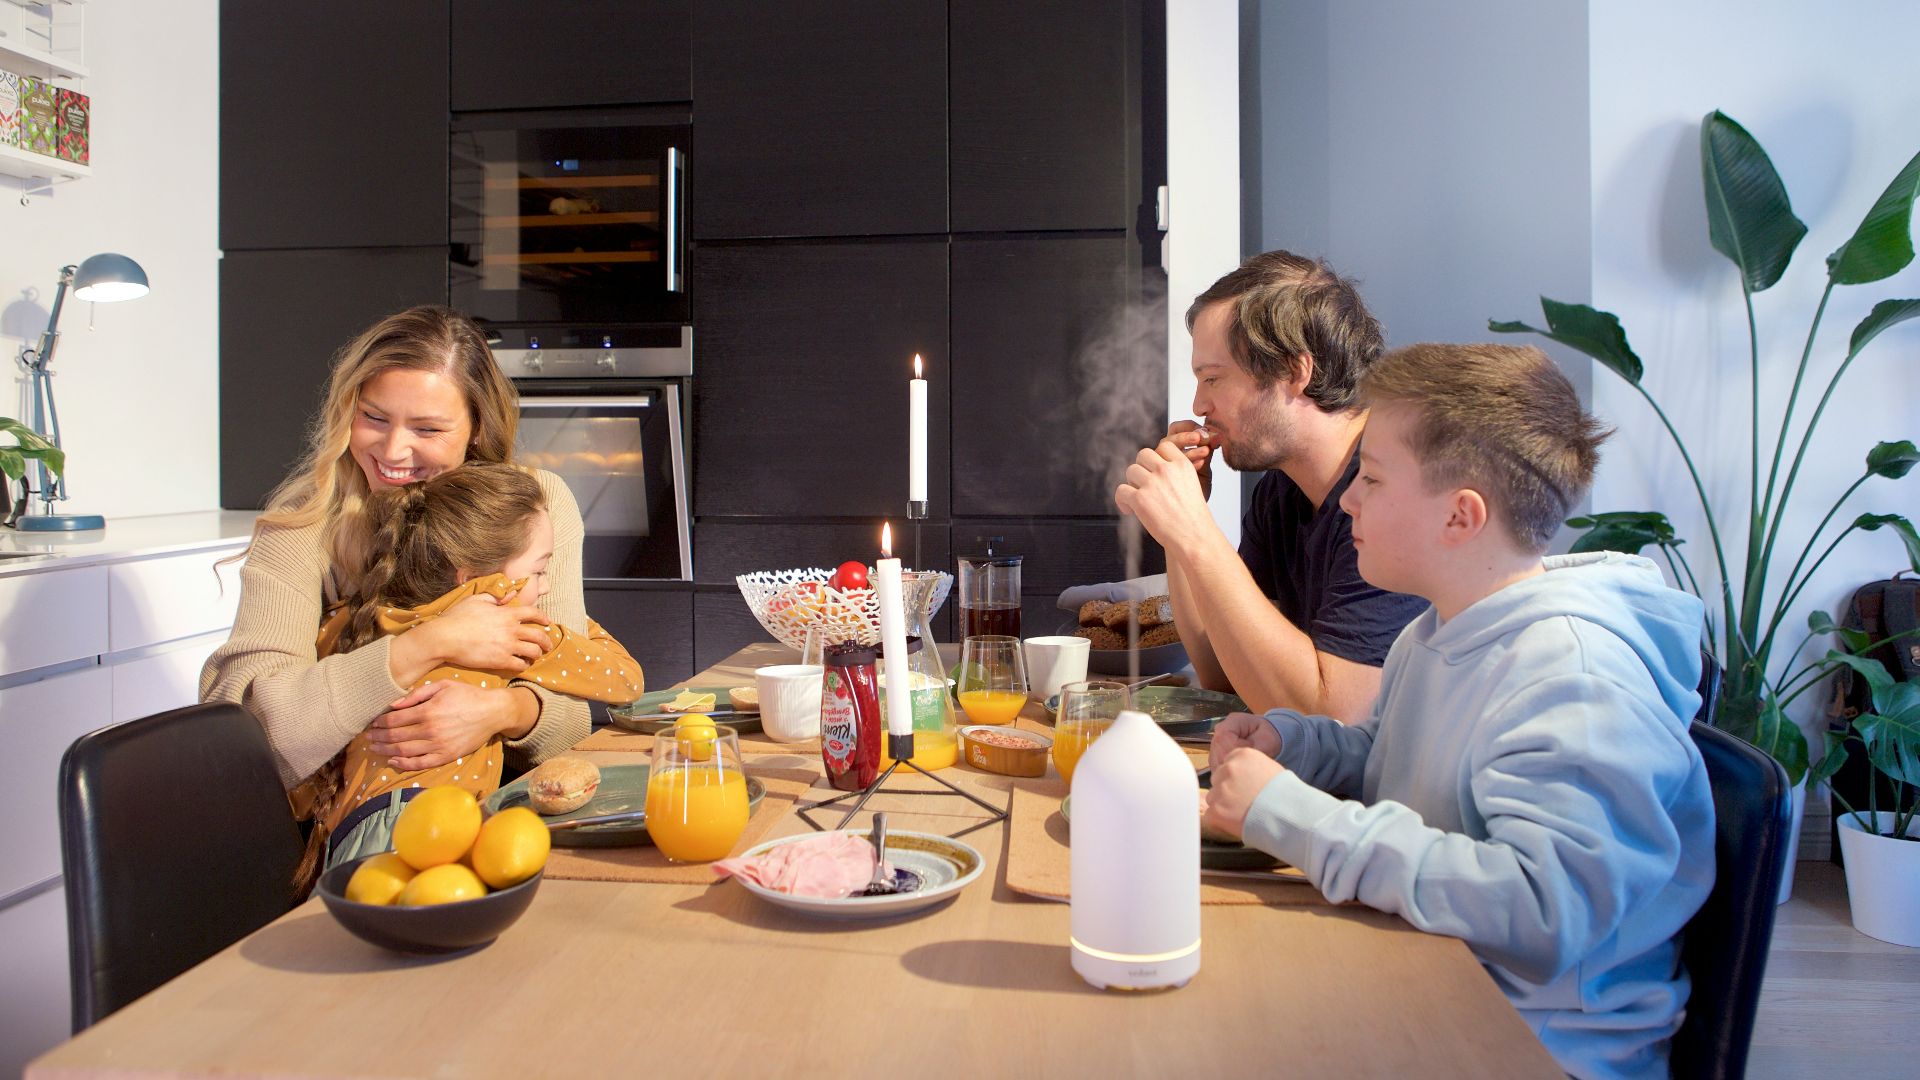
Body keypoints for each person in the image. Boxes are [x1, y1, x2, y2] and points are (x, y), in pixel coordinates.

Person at [1202, 342, 1715, 1079]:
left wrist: (1298, 817)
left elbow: (1544, 914)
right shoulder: (1440, 627)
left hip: (1534, 1046)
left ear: (1461, 517)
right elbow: (1388, 758)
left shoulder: (1575, 678)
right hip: (1429, 978)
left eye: (1371, 479)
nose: (1347, 499)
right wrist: (1296, 746)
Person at [202, 305, 594, 796]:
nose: (392, 451)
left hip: (503, 814)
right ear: (347, 408)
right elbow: (249, 735)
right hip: (349, 830)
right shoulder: (301, 525)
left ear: (477, 427)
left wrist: (504, 713)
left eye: (427, 430)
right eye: (374, 417)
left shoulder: (537, 503)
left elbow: (574, 717)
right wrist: (430, 643)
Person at [288, 463, 646, 888]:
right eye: (537, 571)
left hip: (349, 835)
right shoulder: (509, 628)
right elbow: (626, 680)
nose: (546, 588)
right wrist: (573, 628)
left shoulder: (357, 619)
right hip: (437, 829)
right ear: (481, 581)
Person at [1115, 251, 1427, 722]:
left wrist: (1196, 533)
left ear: (1294, 372)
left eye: (1214, 378)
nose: (1199, 404)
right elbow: (1224, 673)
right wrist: (1176, 532)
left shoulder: (1395, 492)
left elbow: (1334, 718)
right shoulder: (1282, 493)